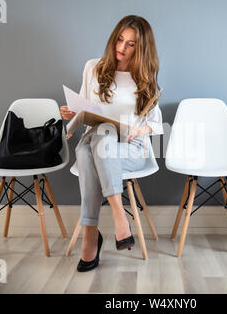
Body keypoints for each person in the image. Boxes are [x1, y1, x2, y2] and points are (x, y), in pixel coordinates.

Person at [60, 15, 163, 272]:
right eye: (120, 39)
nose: (122, 47)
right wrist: (73, 114)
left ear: (141, 48)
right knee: (96, 139)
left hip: (130, 147)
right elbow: (84, 105)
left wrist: (139, 130)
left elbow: (156, 123)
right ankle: (117, 219)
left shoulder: (145, 76)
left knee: (88, 150)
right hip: (97, 140)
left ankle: (93, 233)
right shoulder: (93, 67)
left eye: (131, 44)